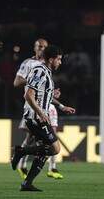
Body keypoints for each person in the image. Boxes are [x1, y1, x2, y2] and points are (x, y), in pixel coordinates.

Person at [11, 45, 70, 191]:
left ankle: (27, 183)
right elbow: (28, 95)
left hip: (39, 117)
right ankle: (21, 152)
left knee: (45, 150)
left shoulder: (46, 72)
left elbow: (42, 96)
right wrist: (41, 113)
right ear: (51, 59)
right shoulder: (40, 71)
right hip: (36, 118)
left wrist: (61, 105)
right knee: (55, 149)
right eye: (59, 59)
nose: (60, 62)